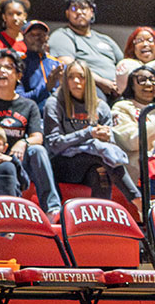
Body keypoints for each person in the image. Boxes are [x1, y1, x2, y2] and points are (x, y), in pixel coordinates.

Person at [44, 59, 140, 208]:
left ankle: (100, 221)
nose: (76, 81)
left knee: (100, 171)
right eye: (71, 77)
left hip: (93, 163)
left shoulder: (101, 106)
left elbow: (111, 149)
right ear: (65, 80)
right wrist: (88, 133)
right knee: (101, 155)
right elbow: (55, 145)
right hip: (62, 165)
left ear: (88, 80)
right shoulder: (55, 103)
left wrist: (106, 137)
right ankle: (139, 201)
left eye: (81, 77)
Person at [0, 50, 61, 215]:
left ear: (18, 75)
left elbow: (37, 136)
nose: (2, 71)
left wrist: (23, 142)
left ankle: (52, 208)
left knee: (38, 150)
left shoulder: (28, 105)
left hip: (19, 160)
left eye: (8, 67)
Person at [48, 0, 123, 100]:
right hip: (90, 86)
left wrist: (120, 84)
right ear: (67, 13)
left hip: (116, 88)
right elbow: (68, 67)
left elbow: (124, 64)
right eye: (74, 9)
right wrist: (101, 82)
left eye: (83, 8)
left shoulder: (105, 39)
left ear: (91, 12)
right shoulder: (62, 35)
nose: (79, 12)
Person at [111, 66, 155, 190]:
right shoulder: (122, 108)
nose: (148, 84)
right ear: (132, 84)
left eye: (152, 79)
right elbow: (131, 142)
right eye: (142, 79)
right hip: (141, 174)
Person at [18, 20, 63, 108]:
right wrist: (46, 88)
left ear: (47, 38)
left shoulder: (58, 64)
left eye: (41, 35)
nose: (37, 38)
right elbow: (19, 99)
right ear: (24, 39)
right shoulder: (19, 65)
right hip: (32, 115)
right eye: (32, 35)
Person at [115, 26, 155, 95]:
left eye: (150, 40)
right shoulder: (126, 64)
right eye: (139, 41)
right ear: (132, 47)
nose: (145, 44)